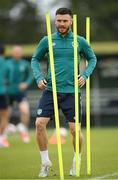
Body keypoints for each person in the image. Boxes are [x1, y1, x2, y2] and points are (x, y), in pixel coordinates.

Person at [31, 7, 97, 177]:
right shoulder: (47, 40)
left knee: (75, 130)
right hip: (50, 90)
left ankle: (77, 158)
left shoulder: (79, 40)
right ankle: (45, 161)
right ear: (55, 21)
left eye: (65, 21)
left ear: (71, 21)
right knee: (39, 124)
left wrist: (85, 75)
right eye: (59, 21)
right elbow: (34, 59)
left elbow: (92, 58)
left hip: (72, 92)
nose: (61, 24)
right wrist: (39, 77)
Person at [7, 45, 32, 143]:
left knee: (25, 111)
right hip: (8, 92)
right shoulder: (7, 63)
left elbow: (30, 75)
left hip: (20, 93)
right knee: (5, 115)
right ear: (12, 53)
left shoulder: (25, 64)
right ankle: (3, 135)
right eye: (15, 52)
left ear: (21, 53)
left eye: (19, 52)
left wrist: (26, 83)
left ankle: (24, 131)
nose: (17, 54)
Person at [0, 44, 9, 147]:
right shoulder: (6, 63)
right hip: (2, 92)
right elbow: (9, 77)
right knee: (4, 117)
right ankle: (1, 139)